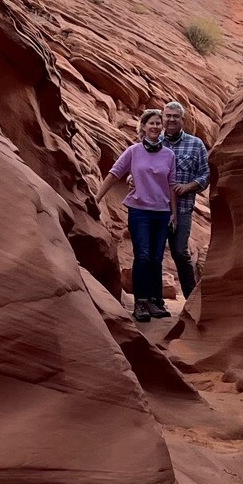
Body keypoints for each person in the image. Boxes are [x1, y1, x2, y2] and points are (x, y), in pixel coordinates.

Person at [95, 109, 178, 323]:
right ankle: (141, 302)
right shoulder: (133, 152)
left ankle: (154, 300)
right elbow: (114, 174)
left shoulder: (169, 155)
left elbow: (171, 185)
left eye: (159, 123)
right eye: (151, 123)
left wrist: (174, 213)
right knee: (143, 255)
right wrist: (97, 197)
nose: (156, 126)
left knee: (156, 259)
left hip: (162, 212)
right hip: (139, 211)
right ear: (143, 127)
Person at [158, 100, 210, 313]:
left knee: (180, 251)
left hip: (183, 207)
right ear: (163, 118)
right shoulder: (154, 141)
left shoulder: (195, 144)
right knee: (153, 254)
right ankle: (153, 300)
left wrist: (188, 186)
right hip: (156, 209)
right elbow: (140, 165)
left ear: (183, 120)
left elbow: (206, 175)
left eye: (175, 117)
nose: (171, 120)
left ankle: (191, 300)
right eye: (168, 116)